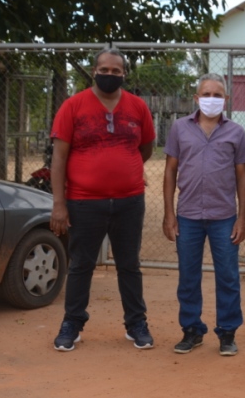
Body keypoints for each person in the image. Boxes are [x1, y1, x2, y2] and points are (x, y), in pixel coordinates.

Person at [49, 47, 156, 352]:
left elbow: (146, 148)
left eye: (116, 71)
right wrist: (59, 204)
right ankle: (72, 323)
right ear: (94, 71)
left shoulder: (137, 107)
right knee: (81, 264)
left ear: (124, 74)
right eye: (104, 70)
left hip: (129, 201)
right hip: (84, 202)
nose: (110, 75)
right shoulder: (73, 106)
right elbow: (59, 158)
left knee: (129, 265)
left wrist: (126, 168)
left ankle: (136, 324)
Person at [162, 73, 245, 356]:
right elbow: (169, 171)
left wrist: (242, 217)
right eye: (206, 94)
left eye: (217, 95)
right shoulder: (179, 128)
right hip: (187, 216)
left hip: (224, 216)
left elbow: (243, 177)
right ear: (196, 98)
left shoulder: (236, 132)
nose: (211, 99)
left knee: (228, 276)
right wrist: (169, 214)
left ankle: (227, 333)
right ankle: (191, 330)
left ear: (225, 100)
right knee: (188, 277)